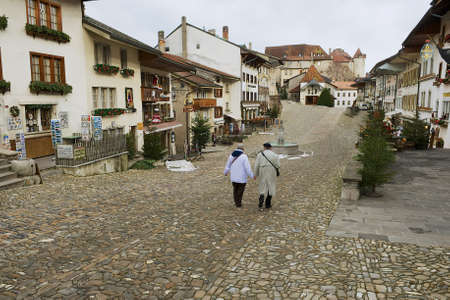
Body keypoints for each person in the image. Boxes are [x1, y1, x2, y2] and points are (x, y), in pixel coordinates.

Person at [254, 142, 280, 210]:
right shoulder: (275, 155)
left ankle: (261, 199)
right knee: (271, 186)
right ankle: (268, 203)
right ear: (270, 147)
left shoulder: (260, 154)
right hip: (271, 171)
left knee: (262, 185)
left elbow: (256, 165)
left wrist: (255, 174)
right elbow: (278, 165)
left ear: (264, 147)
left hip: (262, 170)